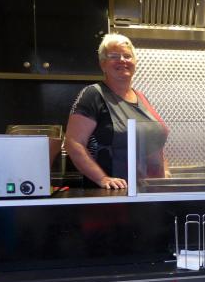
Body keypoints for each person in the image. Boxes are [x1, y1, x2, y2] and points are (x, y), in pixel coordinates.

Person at [66, 34, 170, 189]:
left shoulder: (142, 98)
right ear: (103, 64)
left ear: (135, 62)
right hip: (113, 193)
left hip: (147, 190)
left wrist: (164, 173)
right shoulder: (93, 95)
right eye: (114, 56)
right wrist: (102, 178)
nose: (122, 60)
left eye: (127, 56)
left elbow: (154, 143)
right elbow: (73, 143)